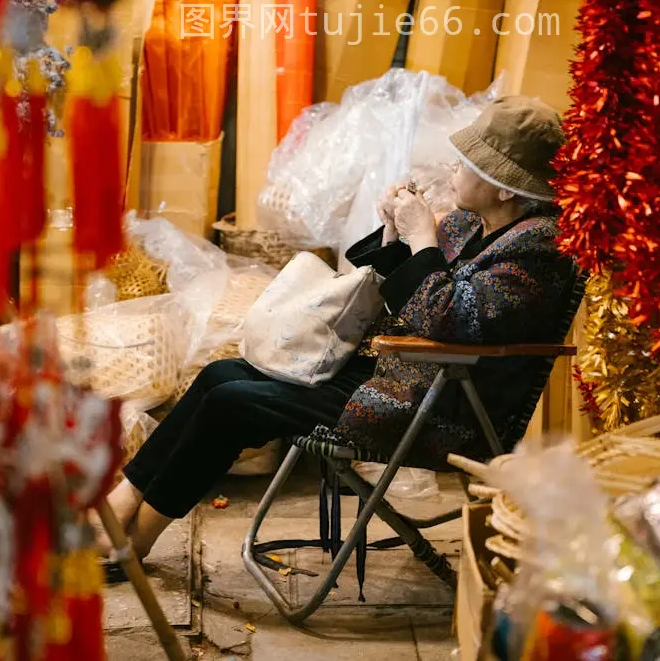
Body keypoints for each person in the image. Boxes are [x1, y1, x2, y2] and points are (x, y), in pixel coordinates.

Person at [100, 95, 576, 565]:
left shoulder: (538, 250)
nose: (454, 165)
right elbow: (399, 290)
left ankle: (137, 538)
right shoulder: (472, 221)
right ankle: (122, 504)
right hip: (399, 374)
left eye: (469, 160)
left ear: (505, 188)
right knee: (221, 375)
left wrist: (423, 239)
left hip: (444, 406)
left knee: (233, 403)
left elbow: (446, 320)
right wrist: (395, 233)